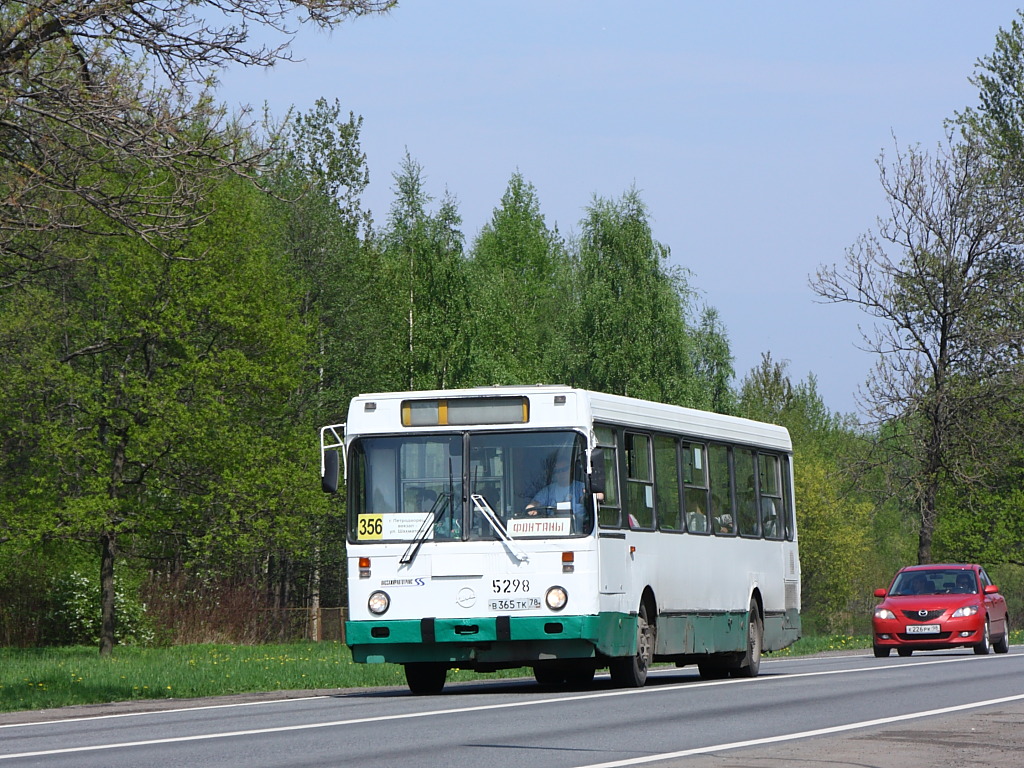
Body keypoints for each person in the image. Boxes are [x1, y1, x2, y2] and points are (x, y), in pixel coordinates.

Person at [525, 453, 590, 533]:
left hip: (579, 534)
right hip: (553, 534)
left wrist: (589, 496)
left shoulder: (581, 488)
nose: (561, 473)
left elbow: (599, 496)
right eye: (558, 471)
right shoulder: (548, 491)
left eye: (564, 469)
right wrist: (531, 509)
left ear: (571, 469)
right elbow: (533, 504)